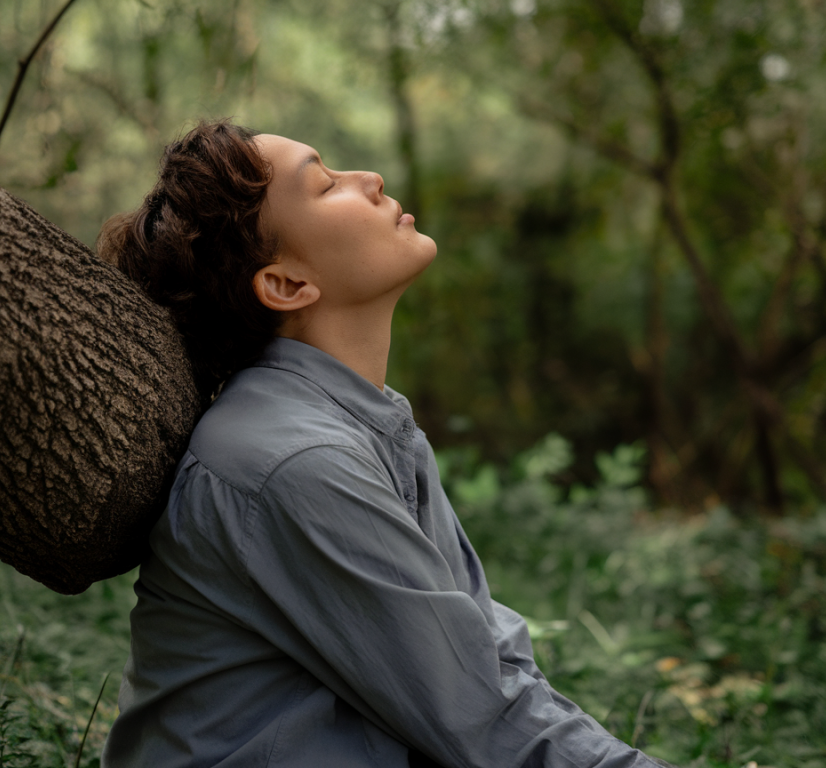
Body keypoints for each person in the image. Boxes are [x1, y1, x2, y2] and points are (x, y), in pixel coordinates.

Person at [97, 121, 673, 768]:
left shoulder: (358, 423)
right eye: (324, 184)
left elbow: (486, 651)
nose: (368, 179)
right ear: (286, 284)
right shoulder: (290, 463)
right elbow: (480, 711)